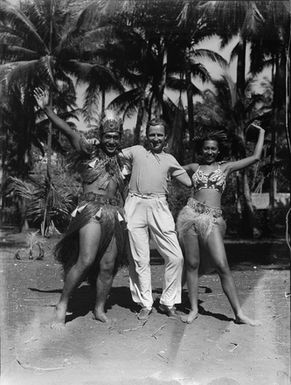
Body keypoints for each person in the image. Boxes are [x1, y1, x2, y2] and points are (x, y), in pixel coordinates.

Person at [34, 88, 128, 327]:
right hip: (91, 211)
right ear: (101, 135)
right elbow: (68, 130)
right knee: (85, 260)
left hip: (114, 214)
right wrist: (47, 109)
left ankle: (98, 308)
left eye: (115, 137)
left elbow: (126, 191)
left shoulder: (123, 161)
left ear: (120, 137)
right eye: (108, 136)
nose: (111, 140)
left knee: (108, 265)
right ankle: (63, 303)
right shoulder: (89, 149)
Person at [176, 122, 265, 325]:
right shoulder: (193, 168)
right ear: (201, 149)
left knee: (222, 265)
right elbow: (166, 169)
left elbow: (255, 157)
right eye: (206, 148)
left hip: (213, 220)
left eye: (213, 148)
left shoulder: (225, 167)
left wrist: (261, 132)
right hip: (190, 216)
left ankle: (239, 314)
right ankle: (194, 309)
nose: (209, 152)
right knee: (191, 264)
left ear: (218, 150)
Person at [121, 118, 192, 320]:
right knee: (139, 258)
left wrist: (174, 168)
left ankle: (168, 302)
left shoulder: (170, 158)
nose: (155, 138)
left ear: (165, 137)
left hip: (159, 205)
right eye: (152, 134)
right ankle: (145, 303)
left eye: (159, 135)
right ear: (146, 135)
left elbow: (188, 181)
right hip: (134, 203)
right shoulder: (136, 151)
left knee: (176, 257)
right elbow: (113, 156)